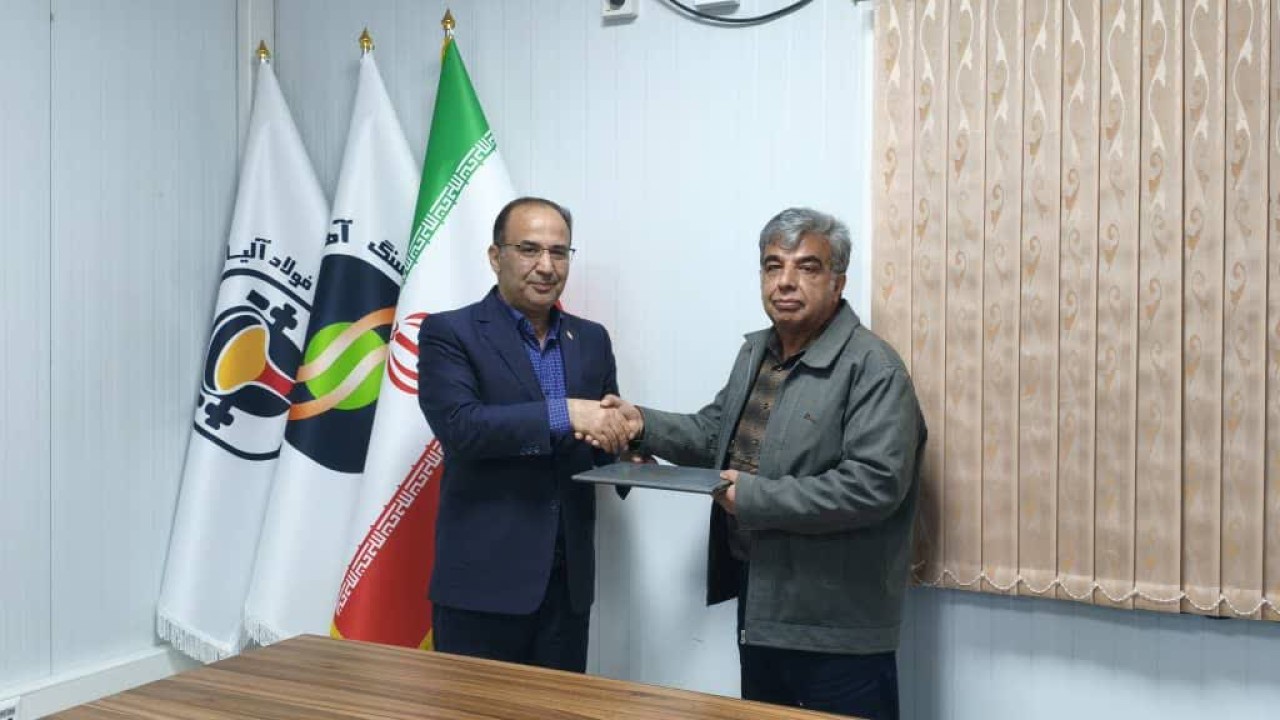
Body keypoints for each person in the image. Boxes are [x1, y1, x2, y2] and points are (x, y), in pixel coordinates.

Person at [602, 207, 925, 719]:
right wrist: (641, 423)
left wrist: (753, 497)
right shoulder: (758, 354)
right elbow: (716, 434)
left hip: (837, 624)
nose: (786, 281)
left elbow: (874, 485)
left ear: (838, 281)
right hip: (761, 603)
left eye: (807, 267)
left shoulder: (873, 368)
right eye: (774, 265)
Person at [416, 196, 630, 672]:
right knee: (472, 707)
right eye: (529, 249)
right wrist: (565, 413)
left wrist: (630, 445)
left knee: (561, 707)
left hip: (567, 586)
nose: (546, 266)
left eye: (559, 252)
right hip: (483, 586)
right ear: (496, 256)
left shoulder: (591, 338)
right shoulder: (449, 332)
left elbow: (600, 435)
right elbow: (461, 428)